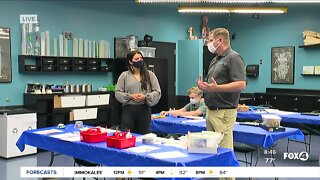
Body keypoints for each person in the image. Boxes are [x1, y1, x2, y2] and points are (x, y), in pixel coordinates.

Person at [197, 28, 246, 150]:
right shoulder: (215, 59)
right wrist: (204, 86)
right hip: (211, 110)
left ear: (220, 40)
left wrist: (217, 88)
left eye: (211, 40)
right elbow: (213, 85)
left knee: (223, 150)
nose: (208, 44)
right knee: (212, 149)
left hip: (224, 112)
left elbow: (241, 84)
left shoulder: (234, 57)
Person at [115, 51, 161, 134]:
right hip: (129, 111)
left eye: (141, 58)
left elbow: (157, 92)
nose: (140, 60)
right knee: (127, 135)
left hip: (144, 110)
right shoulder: (124, 75)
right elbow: (117, 92)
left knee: (144, 136)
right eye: (136, 59)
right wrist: (130, 96)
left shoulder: (150, 75)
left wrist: (146, 97)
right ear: (130, 61)